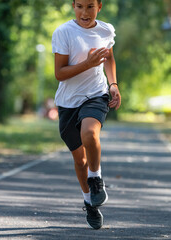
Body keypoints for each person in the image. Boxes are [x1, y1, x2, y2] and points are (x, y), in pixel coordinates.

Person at [52, 0, 121, 230]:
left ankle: (97, 179)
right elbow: (60, 73)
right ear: (73, 6)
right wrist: (88, 63)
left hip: (96, 94)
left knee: (90, 134)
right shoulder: (63, 33)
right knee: (79, 160)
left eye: (90, 6)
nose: (85, 12)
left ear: (99, 6)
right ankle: (89, 202)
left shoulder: (106, 30)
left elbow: (109, 57)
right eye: (80, 6)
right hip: (68, 103)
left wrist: (113, 84)